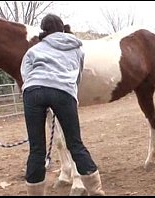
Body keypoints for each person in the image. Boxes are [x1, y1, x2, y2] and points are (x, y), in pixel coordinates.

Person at [20, 14, 105, 196]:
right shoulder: (77, 49)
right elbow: (77, 76)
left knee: (37, 150)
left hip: (33, 91)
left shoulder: (34, 50)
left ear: (44, 31)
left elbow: (25, 75)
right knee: (75, 144)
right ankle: (96, 191)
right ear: (62, 28)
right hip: (63, 91)